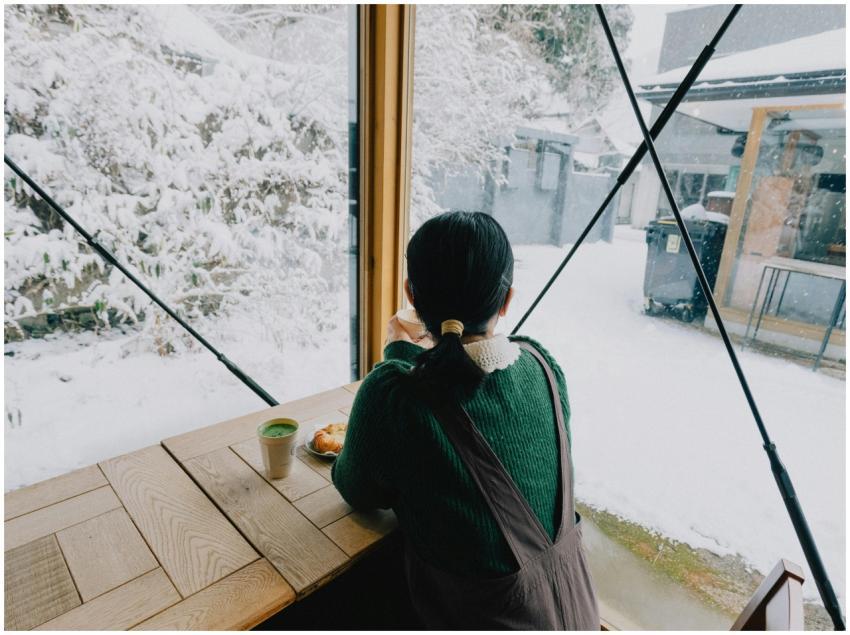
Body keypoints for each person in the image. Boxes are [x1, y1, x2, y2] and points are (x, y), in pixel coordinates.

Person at [332, 211, 598, 629]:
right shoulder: (543, 366)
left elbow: (357, 489)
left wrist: (401, 354)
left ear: (412, 296)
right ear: (507, 300)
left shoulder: (394, 395)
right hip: (573, 615)